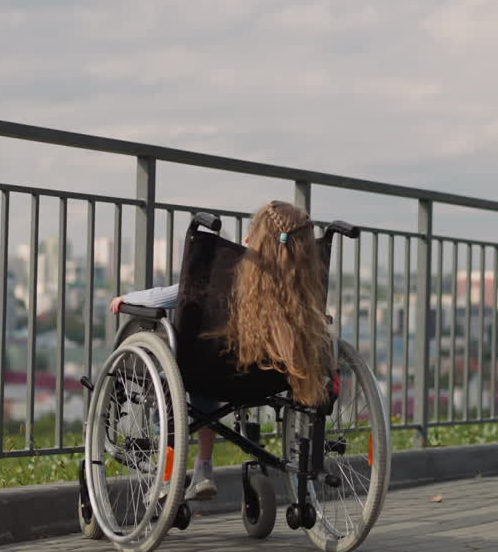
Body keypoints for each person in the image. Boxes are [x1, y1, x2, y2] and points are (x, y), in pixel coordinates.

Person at [109, 200, 333, 501]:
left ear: (253, 240)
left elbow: (174, 296)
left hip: (210, 372)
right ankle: (202, 464)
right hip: (270, 380)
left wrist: (128, 298)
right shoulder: (304, 292)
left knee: (179, 383)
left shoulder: (228, 273)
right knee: (202, 382)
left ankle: (175, 472)